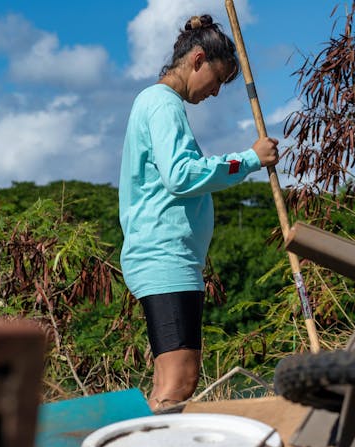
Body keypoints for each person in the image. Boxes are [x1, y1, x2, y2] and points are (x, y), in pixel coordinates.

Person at [119, 14, 280, 411]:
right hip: (164, 258)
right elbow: (180, 175)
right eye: (219, 80)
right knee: (181, 379)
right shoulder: (162, 103)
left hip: (169, 258)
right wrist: (249, 160)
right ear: (197, 59)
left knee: (167, 381)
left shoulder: (158, 103)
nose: (216, 93)